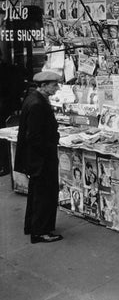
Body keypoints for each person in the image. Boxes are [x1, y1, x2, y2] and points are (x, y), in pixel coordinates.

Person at [14, 71, 64, 243]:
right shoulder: (37, 104)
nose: (57, 88)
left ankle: (33, 227)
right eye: (54, 85)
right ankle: (41, 232)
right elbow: (34, 137)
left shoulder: (34, 98)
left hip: (37, 158)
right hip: (41, 159)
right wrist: (51, 144)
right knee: (45, 194)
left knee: (36, 194)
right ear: (43, 86)